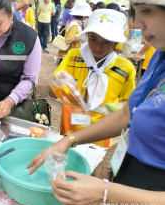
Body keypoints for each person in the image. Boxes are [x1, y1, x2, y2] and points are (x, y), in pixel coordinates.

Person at [27, 0, 165, 205]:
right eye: (134, 11)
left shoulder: (127, 66)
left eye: (146, 11)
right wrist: (69, 140)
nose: (137, 23)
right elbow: (128, 113)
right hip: (132, 187)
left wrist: (104, 192)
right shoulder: (161, 57)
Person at [54, 9, 136, 147]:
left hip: (100, 132)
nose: (98, 47)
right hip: (70, 126)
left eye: (106, 42)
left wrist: (114, 108)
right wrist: (60, 84)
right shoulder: (74, 57)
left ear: (115, 42)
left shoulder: (125, 68)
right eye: (93, 39)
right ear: (87, 35)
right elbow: (53, 92)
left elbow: (128, 102)